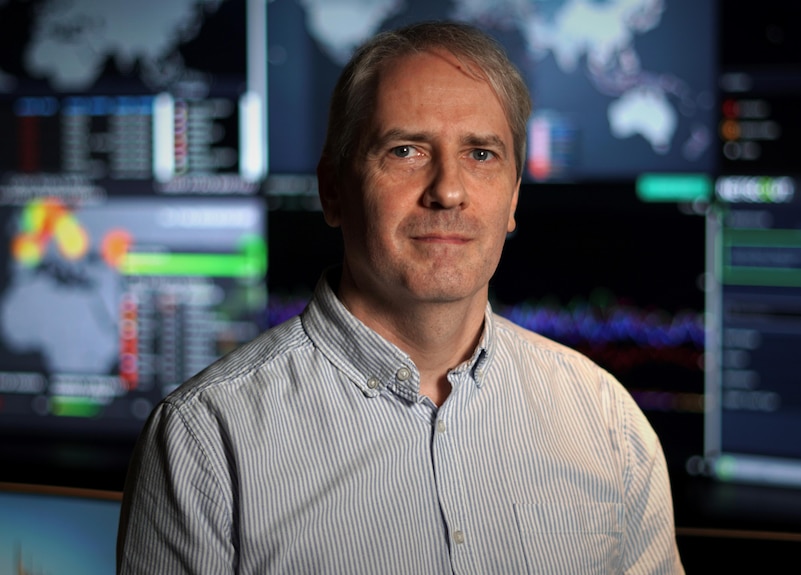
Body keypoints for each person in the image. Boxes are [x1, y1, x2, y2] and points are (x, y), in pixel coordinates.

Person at [117, 20, 685, 574]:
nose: (448, 190)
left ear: (513, 199)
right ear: (333, 191)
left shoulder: (607, 422)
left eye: (481, 154)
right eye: (406, 151)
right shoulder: (204, 440)